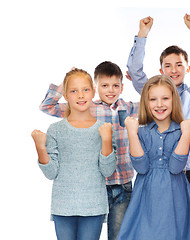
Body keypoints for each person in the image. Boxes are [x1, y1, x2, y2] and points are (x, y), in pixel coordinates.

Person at [126, 14, 190, 213]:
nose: (173, 70)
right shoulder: (152, 92)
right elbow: (134, 71)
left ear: (188, 67)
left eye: (179, 64)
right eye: (167, 66)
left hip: (189, 171)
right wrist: (142, 35)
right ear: (160, 70)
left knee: (189, 223)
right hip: (158, 171)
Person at [39, 61, 138, 240]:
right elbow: (47, 106)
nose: (110, 90)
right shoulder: (85, 106)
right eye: (105, 86)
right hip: (95, 187)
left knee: (119, 236)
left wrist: (138, 81)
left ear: (122, 87)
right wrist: (65, 84)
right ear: (96, 88)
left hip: (121, 182)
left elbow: (152, 102)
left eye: (115, 86)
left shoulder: (127, 107)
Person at [117, 75, 190, 240]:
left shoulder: (182, 130)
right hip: (147, 195)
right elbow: (141, 167)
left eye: (165, 98)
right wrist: (131, 133)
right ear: (146, 102)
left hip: (175, 194)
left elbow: (175, 167)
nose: (159, 104)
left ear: (174, 100)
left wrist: (186, 134)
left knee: (174, 233)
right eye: (153, 99)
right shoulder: (141, 132)